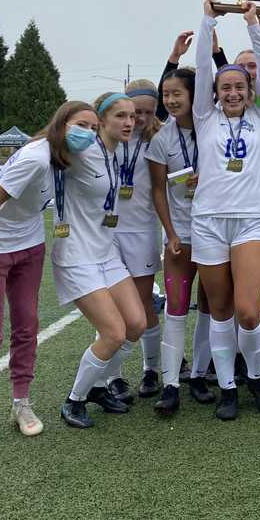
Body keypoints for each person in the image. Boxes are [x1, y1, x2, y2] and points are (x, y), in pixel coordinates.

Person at [0, 100, 96, 446]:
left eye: (94, 128)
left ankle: (21, 404)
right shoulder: (37, 157)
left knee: (27, 326)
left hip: (30, 245)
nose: (88, 133)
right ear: (62, 124)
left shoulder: (66, 157)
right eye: (82, 125)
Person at [191, 0, 260, 420]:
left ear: (249, 91)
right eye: (225, 88)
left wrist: (252, 26)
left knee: (247, 309)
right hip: (208, 221)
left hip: (250, 219)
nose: (232, 93)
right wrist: (208, 19)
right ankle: (227, 388)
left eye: (239, 88)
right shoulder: (204, 116)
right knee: (219, 310)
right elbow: (204, 68)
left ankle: (257, 379)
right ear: (216, 93)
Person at [56, 92, 147, 428]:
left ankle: (95, 386)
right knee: (112, 332)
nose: (128, 122)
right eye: (120, 116)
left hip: (105, 252)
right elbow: (47, 149)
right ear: (102, 122)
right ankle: (74, 401)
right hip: (77, 255)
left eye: (132, 116)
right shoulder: (82, 151)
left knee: (137, 325)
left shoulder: (118, 151)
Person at [146, 61, 218, 413]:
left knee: (209, 307)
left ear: (194, 94)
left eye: (177, 93)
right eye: (166, 95)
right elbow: (158, 190)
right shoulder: (162, 139)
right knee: (175, 309)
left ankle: (200, 376)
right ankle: (170, 384)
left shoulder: (215, 127)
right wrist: (171, 232)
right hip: (180, 237)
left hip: (216, 233)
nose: (171, 100)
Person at [106, 78, 164, 402]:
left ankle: (150, 370)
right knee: (113, 307)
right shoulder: (108, 138)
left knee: (143, 306)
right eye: (134, 111)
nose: (139, 118)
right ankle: (113, 378)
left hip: (142, 231)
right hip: (109, 233)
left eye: (146, 111)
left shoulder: (157, 138)